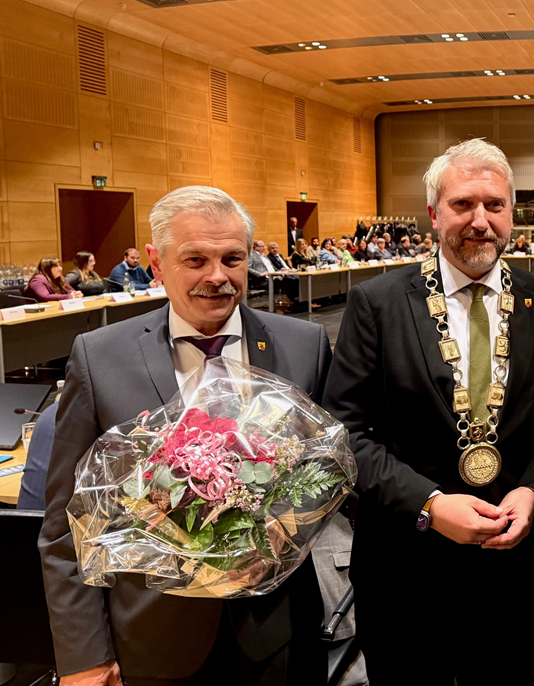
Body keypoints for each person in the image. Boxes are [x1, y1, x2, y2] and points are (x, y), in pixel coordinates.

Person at [39, 186, 330, 686]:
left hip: (277, 630)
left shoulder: (306, 345)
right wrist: (83, 655)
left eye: (232, 258)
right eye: (195, 259)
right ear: (156, 262)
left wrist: (288, 525)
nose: (217, 276)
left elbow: (329, 471)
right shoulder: (98, 356)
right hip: (152, 635)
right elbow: (67, 525)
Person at [324, 139, 534, 685]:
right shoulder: (379, 303)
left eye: (494, 205)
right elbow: (346, 434)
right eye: (463, 205)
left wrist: (533, 494)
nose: (479, 220)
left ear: (512, 213)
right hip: (406, 562)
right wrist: (431, 504)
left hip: (516, 559)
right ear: (434, 215)